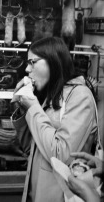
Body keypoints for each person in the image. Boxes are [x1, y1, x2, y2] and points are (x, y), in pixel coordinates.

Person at [11, 36, 98, 202]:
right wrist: (22, 110)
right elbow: (32, 150)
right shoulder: (52, 97)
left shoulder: (80, 96)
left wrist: (33, 107)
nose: (27, 70)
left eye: (32, 62)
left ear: (52, 61)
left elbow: (63, 155)